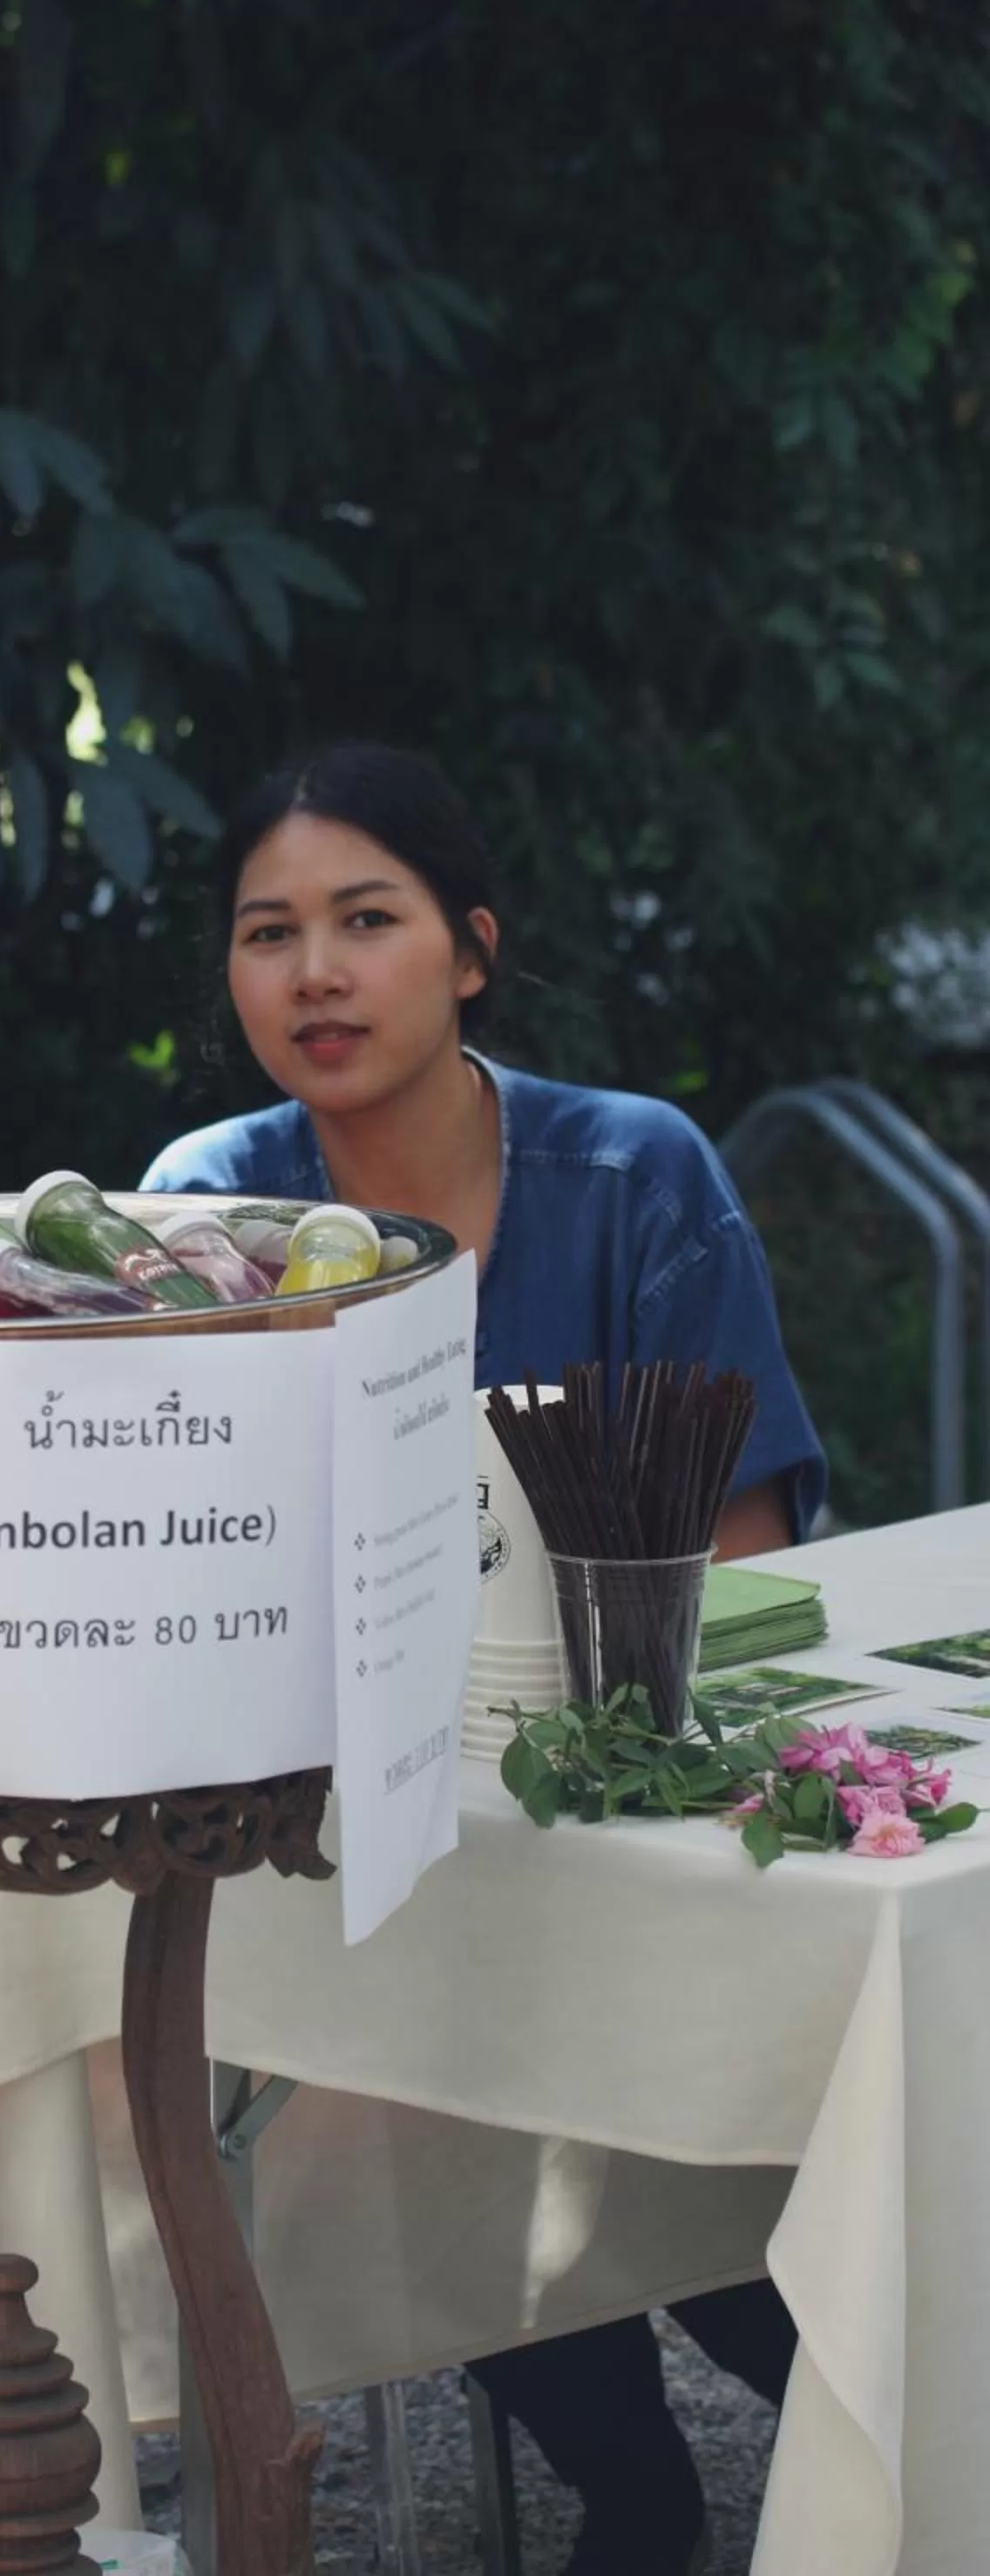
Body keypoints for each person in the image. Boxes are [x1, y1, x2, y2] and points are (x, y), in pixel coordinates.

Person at [143, 742, 817, 2576]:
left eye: (367, 921)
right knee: (380, 2099)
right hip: (348, 1843)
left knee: (727, 2097)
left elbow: (742, 1558)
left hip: (633, 1819)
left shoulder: (635, 1174)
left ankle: (873, 2424)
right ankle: (637, 2482)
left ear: (470, 950)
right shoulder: (208, 1210)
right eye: (268, 933)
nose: (316, 975)